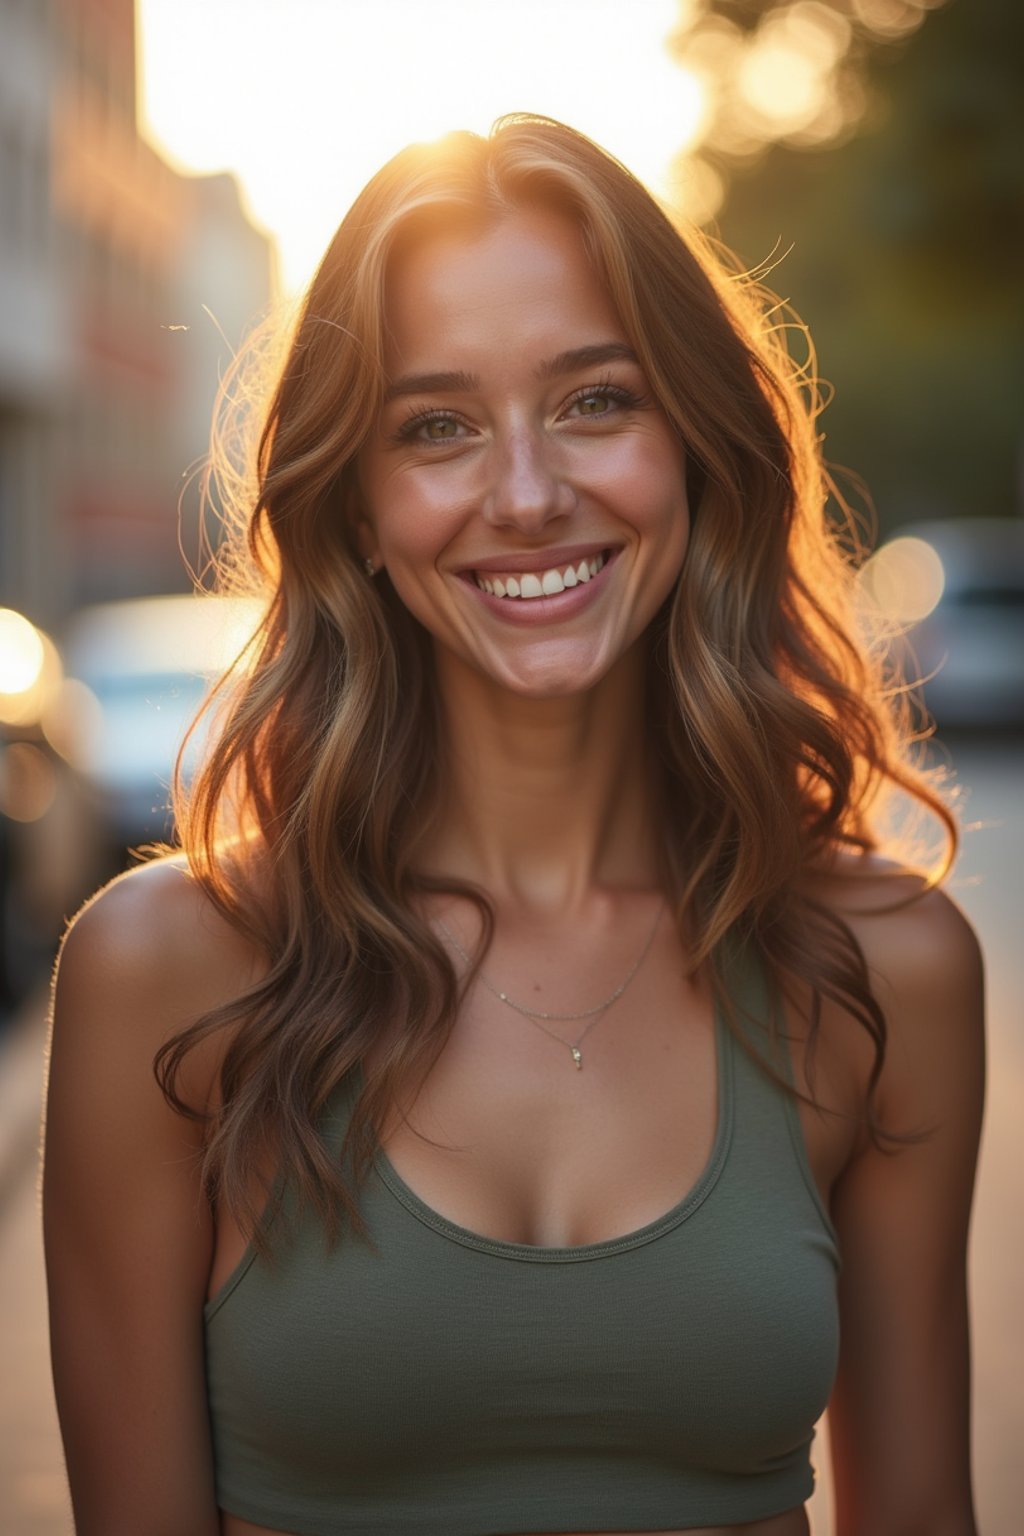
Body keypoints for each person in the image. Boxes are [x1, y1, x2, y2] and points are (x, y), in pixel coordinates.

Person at [44, 115, 984, 1536]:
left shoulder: (887, 969)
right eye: (436, 427)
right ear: (353, 504)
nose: (531, 494)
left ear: (696, 446)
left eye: (597, 400)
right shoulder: (169, 973)